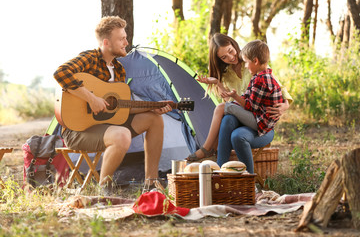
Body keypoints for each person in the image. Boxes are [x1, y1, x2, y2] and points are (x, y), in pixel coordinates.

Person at [53, 16, 172, 195]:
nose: (126, 42)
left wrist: (151, 107)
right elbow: (60, 73)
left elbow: (119, 108)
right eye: (121, 38)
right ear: (107, 42)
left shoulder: (119, 69)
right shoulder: (90, 58)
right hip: (78, 130)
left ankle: (151, 182)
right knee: (122, 135)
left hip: (108, 127)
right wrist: (91, 99)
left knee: (154, 119)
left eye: (125, 37)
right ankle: (104, 188)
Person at [187, 34, 293, 174]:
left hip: (261, 124)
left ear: (234, 44)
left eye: (230, 51)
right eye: (224, 57)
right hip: (243, 119)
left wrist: (285, 105)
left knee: (226, 115)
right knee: (228, 118)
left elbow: (279, 89)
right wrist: (218, 83)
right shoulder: (226, 74)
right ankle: (221, 172)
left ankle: (209, 149)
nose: (230, 57)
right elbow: (232, 104)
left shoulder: (253, 64)